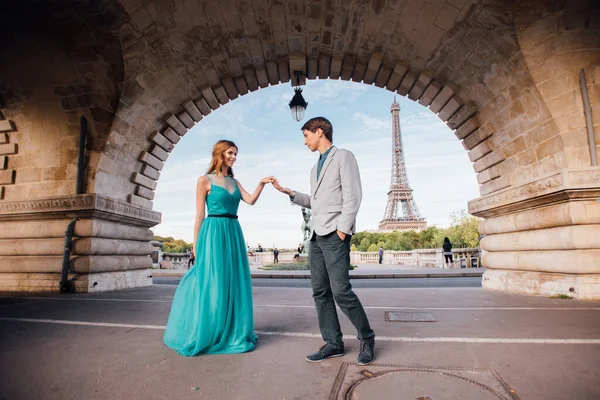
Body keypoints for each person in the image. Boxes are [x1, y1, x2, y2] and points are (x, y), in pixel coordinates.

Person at [273, 116, 376, 366]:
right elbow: (317, 202)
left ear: (319, 132)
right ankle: (333, 343)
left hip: (335, 234)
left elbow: (353, 194)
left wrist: (343, 229)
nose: (305, 141)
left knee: (341, 291)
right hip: (317, 237)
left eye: (306, 135)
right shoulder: (314, 168)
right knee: (320, 292)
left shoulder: (343, 157)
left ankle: (367, 338)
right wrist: (291, 193)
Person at [163, 140, 274, 356]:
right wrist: (196, 245)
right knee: (214, 281)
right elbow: (199, 215)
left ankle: (232, 330)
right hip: (213, 232)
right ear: (219, 154)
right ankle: (209, 330)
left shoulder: (234, 181)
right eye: (230, 153)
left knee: (233, 281)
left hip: (233, 231)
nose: (234, 157)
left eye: (235, 154)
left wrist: (261, 183)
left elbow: (250, 200)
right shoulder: (204, 180)